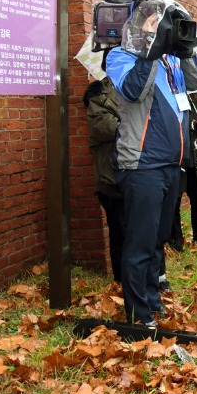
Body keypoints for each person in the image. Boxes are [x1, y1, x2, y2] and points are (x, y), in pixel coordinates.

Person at [107, 7, 197, 326]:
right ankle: (138, 314)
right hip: (141, 165)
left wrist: (185, 48)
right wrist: (151, 51)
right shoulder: (120, 57)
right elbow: (133, 90)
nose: (159, 27)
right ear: (137, 27)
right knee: (140, 240)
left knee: (159, 237)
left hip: (170, 163)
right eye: (152, 22)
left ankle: (151, 298)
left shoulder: (171, 59)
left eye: (161, 23)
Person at [83, 51, 125, 283]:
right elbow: (105, 128)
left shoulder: (135, 91)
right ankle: (121, 281)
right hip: (112, 177)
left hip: (138, 172)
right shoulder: (98, 96)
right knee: (120, 230)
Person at [170, 91, 197, 249]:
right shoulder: (168, 97)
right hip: (176, 161)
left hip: (196, 162)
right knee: (173, 202)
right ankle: (176, 241)